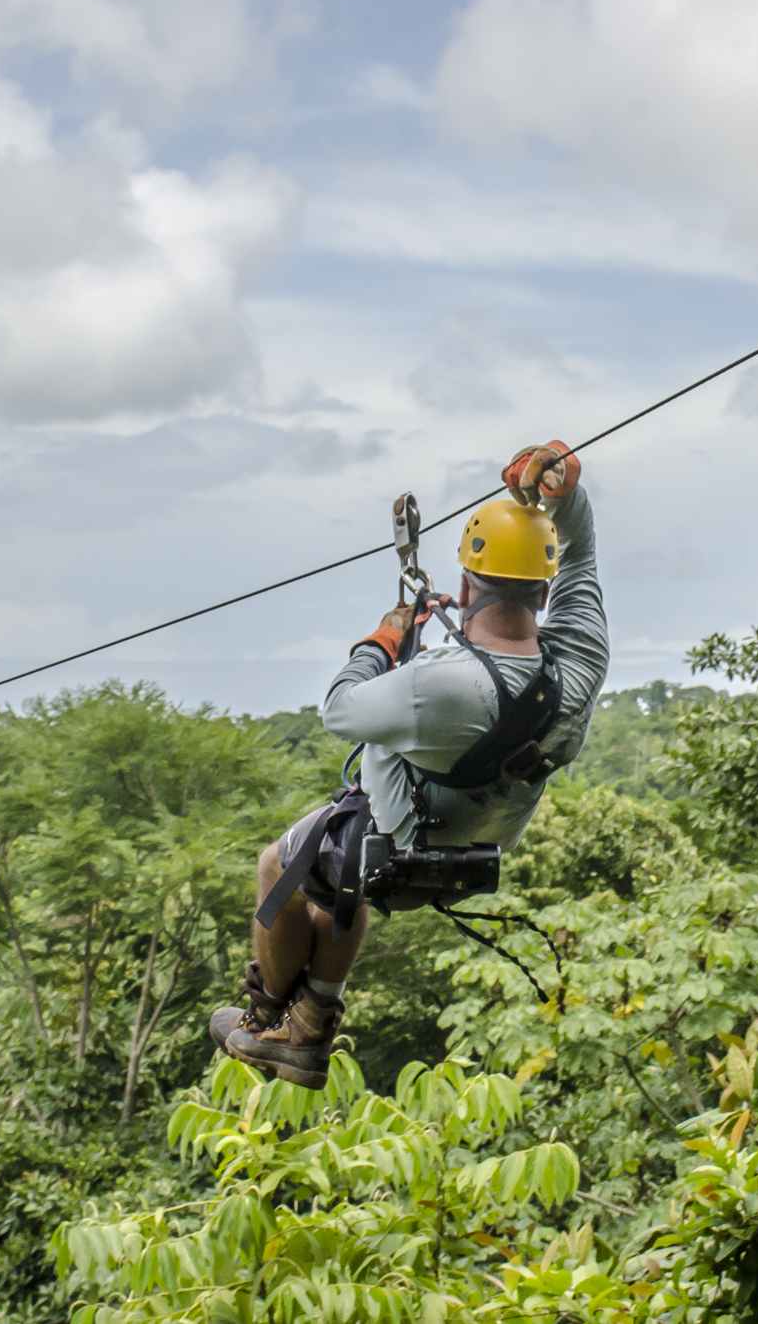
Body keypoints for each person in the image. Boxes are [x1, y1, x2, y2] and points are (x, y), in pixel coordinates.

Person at [209, 440, 609, 1087]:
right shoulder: (578, 662)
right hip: (485, 838)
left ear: (464, 584)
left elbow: (341, 709)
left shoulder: (436, 687)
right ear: (544, 587)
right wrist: (564, 496)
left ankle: (266, 1025)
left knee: (278, 865)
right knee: (337, 890)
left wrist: (383, 640)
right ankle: (308, 1028)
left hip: (407, 834)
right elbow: (582, 557)